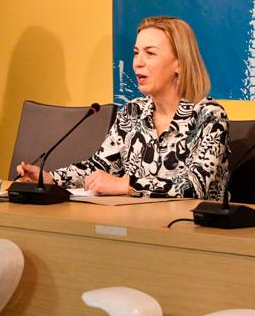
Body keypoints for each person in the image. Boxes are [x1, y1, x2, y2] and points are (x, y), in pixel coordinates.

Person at [16, 16, 229, 200]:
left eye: (150, 53)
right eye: (136, 53)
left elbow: (195, 187)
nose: (137, 62)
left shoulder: (209, 117)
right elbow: (99, 167)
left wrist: (125, 185)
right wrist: (50, 178)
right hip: (137, 227)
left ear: (180, 64)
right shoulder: (132, 112)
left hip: (194, 236)